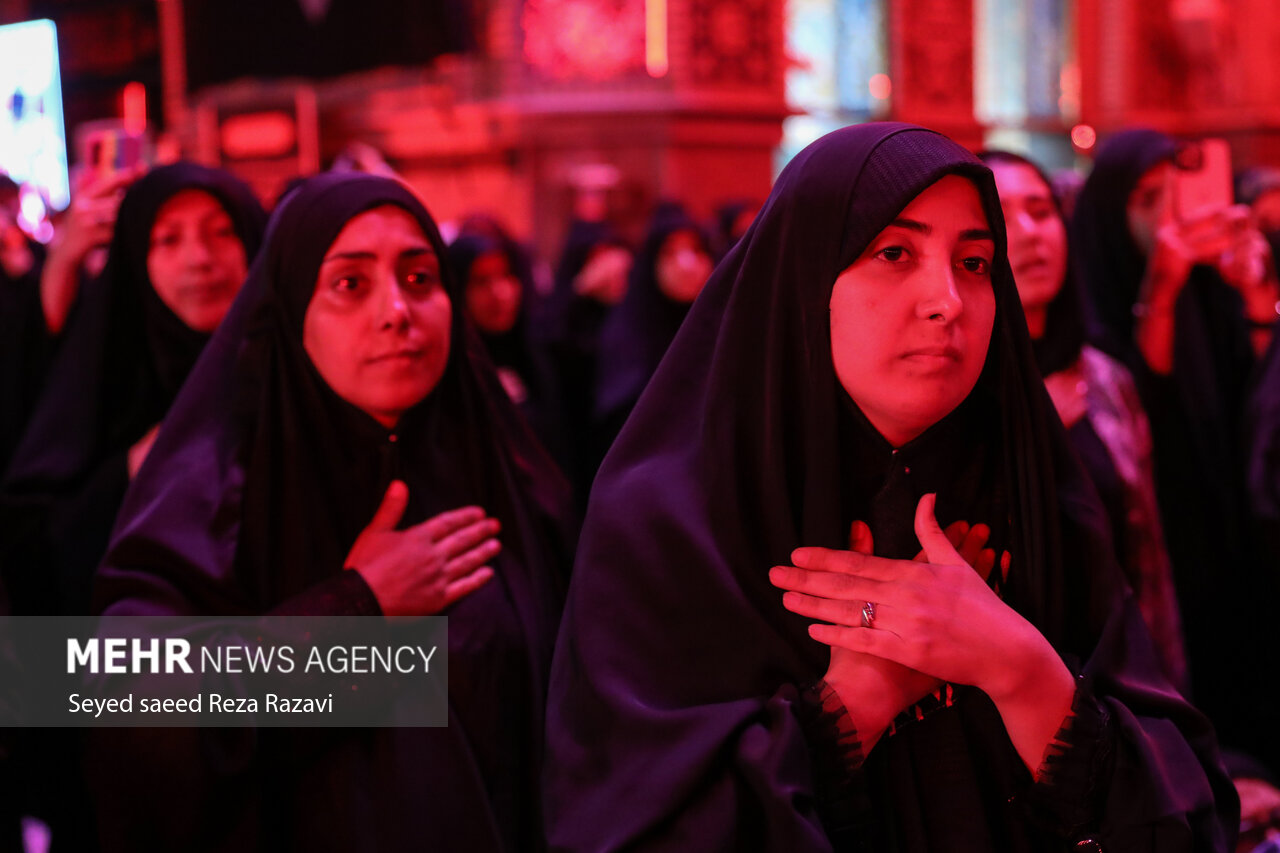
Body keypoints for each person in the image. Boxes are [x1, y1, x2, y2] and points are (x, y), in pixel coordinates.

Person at [545, 122, 1236, 851]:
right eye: (894, 253)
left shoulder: (1028, 492)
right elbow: (621, 817)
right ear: (807, 280)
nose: (947, 300)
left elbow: (1189, 815)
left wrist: (1021, 669)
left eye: (974, 263)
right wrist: (856, 703)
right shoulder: (674, 525)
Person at [90, 172, 572, 851]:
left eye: (420, 277)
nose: (396, 311)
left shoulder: (507, 473)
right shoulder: (215, 494)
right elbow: (129, 711)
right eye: (350, 284)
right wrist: (356, 609)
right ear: (293, 313)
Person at [1071, 129, 1280, 772]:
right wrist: (1159, 291)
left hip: (1235, 540)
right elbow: (1145, 414)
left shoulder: (1210, 293)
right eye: (1147, 197)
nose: (1168, 214)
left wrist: (1254, 297)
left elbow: (1256, 408)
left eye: (1179, 193)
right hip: (1164, 551)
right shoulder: (1097, 307)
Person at [0, 163, 265, 617]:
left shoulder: (292, 372)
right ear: (135, 259)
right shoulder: (105, 377)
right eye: (168, 240)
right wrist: (130, 472)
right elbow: (30, 537)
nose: (200, 257)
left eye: (223, 232)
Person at [980, 149, 1187, 693]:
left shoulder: (1102, 379)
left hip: (1123, 675)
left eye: (1042, 211)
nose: (1030, 234)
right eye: (1001, 217)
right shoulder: (958, 385)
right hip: (1018, 686)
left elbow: (1148, 558)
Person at [591, 202, 712, 462]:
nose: (686, 264)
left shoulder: (724, 329)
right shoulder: (630, 337)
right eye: (670, 252)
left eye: (695, 249)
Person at [446, 231, 568, 470]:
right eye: (480, 281)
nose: (499, 293)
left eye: (506, 276)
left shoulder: (537, 356)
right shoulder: (452, 369)